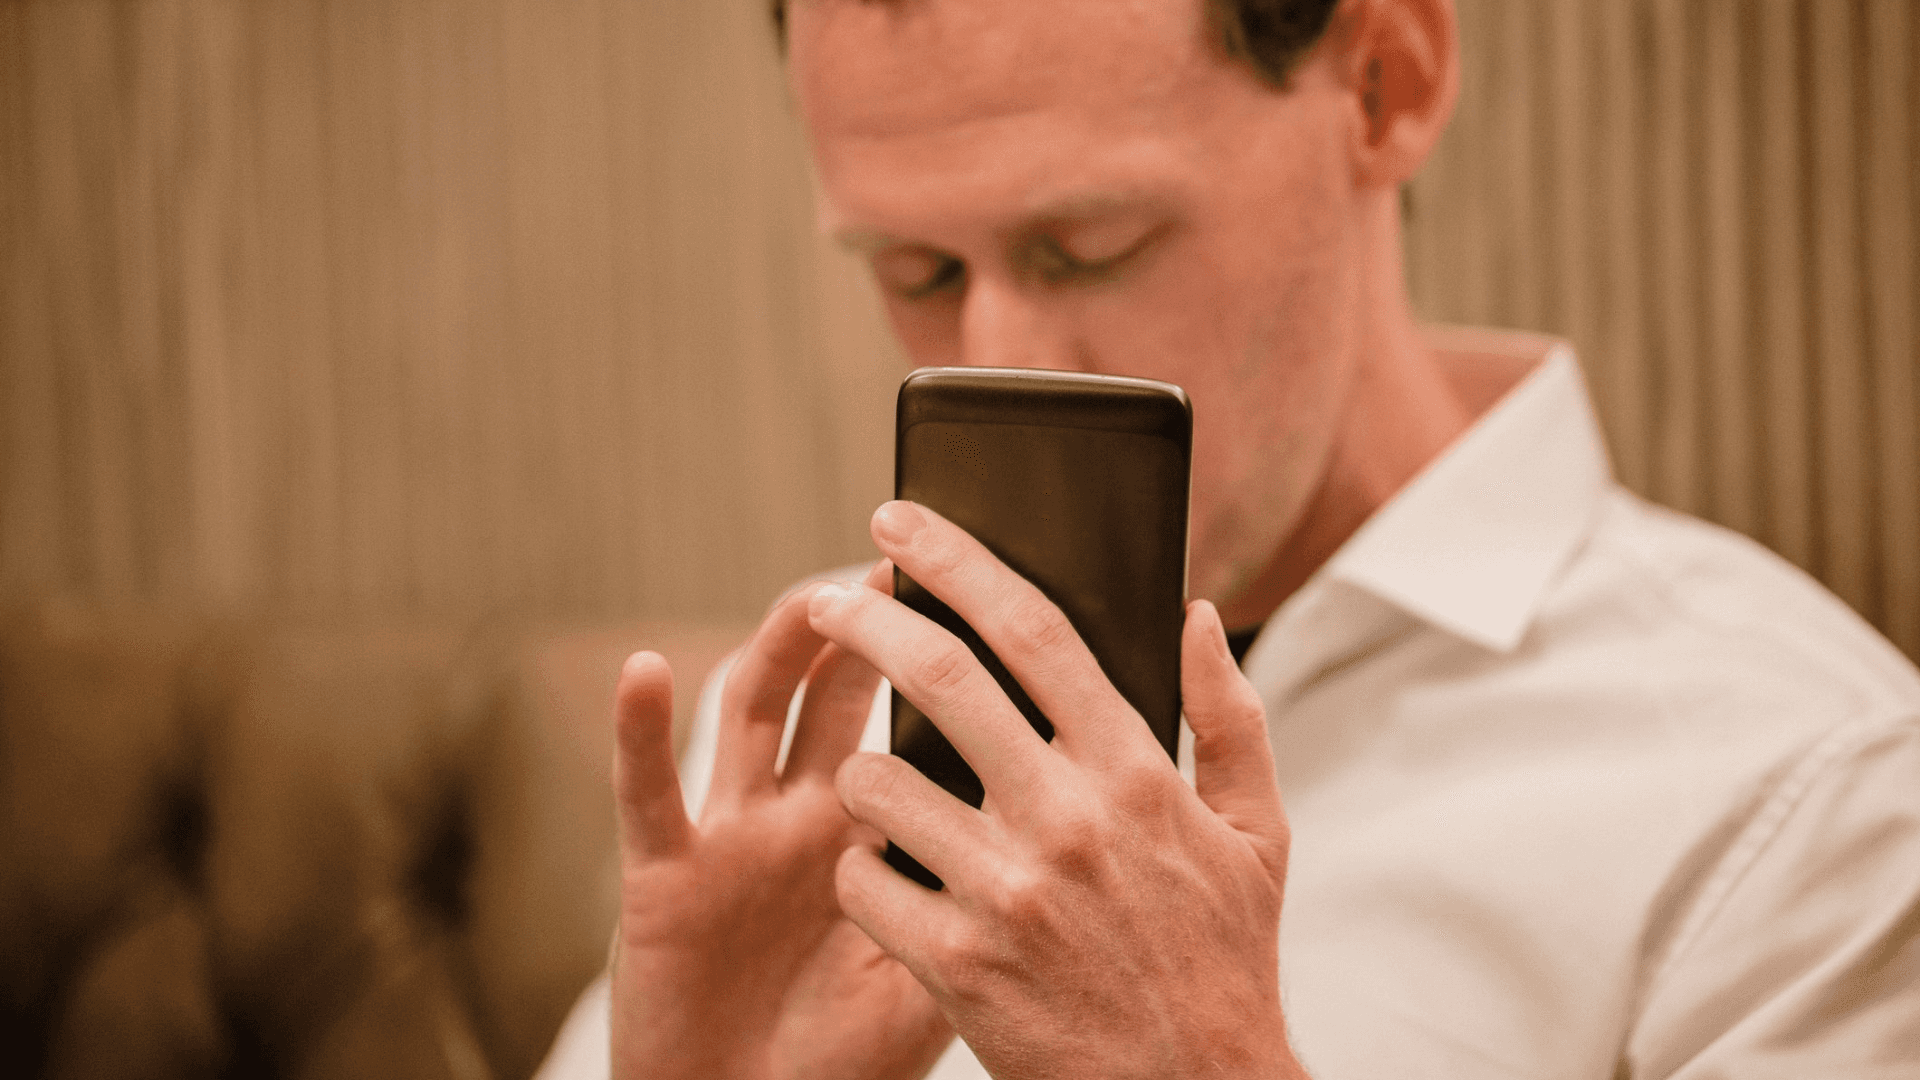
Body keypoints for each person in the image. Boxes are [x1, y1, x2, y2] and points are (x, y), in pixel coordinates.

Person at [539, 0, 1920, 1076]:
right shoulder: (819, 729)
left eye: (1094, 243)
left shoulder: (1818, 797)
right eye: (920, 274)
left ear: (1386, 83)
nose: (1011, 357)